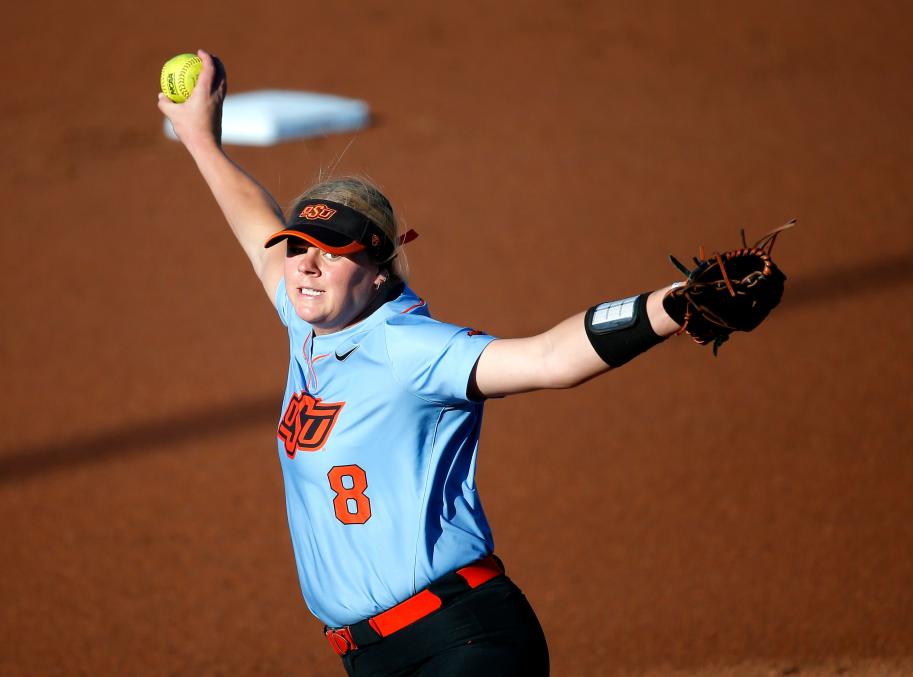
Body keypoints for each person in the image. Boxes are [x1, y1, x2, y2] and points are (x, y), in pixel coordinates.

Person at [158, 49, 686, 677]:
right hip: (375, 660)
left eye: (330, 253)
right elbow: (255, 223)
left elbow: (550, 358)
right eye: (298, 247)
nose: (304, 263)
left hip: (461, 641)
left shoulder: (407, 347)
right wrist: (200, 138)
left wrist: (677, 305)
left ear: (380, 275)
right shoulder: (309, 318)